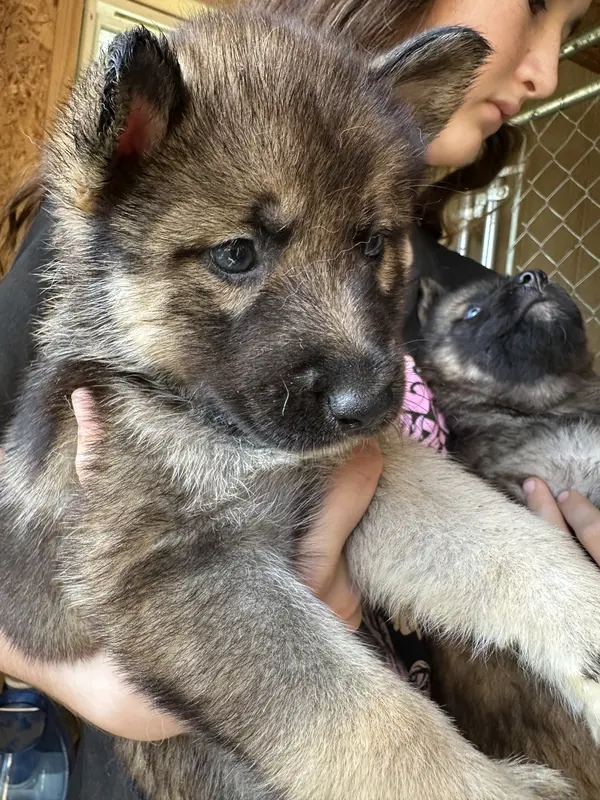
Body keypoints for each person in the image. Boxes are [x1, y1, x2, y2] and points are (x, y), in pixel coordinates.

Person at [1, 0, 598, 795]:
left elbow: (397, 500)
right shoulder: (118, 395)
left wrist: (567, 603)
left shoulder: (462, 287)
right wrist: (88, 682)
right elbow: (179, 586)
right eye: (239, 256)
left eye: (370, 244)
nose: (359, 371)